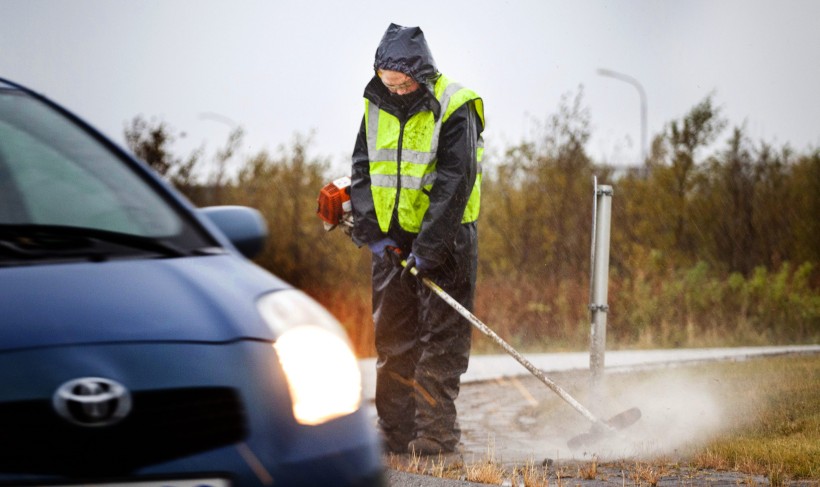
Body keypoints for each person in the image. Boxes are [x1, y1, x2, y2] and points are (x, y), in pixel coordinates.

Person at [349, 23, 485, 456]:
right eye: (389, 81)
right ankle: (395, 431)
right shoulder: (374, 104)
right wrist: (373, 234)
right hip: (392, 242)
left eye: (403, 83)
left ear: (420, 75)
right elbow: (362, 170)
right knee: (393, 339)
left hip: (447, 241)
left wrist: (428, 250)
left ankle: (435, 434)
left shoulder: (455, 105)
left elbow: (454, 182)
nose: (396, 90)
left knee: (441, 341)